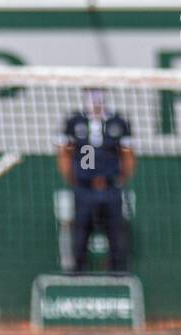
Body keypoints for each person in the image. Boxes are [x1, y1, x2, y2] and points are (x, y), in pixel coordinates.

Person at [57, 90, 134, 275]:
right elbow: (65, 153)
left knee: (116, 235)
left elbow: (128, 155)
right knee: (80, 234)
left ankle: (118, 276)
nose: (95, 101)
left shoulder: (118, 122)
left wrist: (118, 180)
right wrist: (76, 179)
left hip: (111, 188)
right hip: (84, 188)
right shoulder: (76, 122)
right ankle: (79, 276)